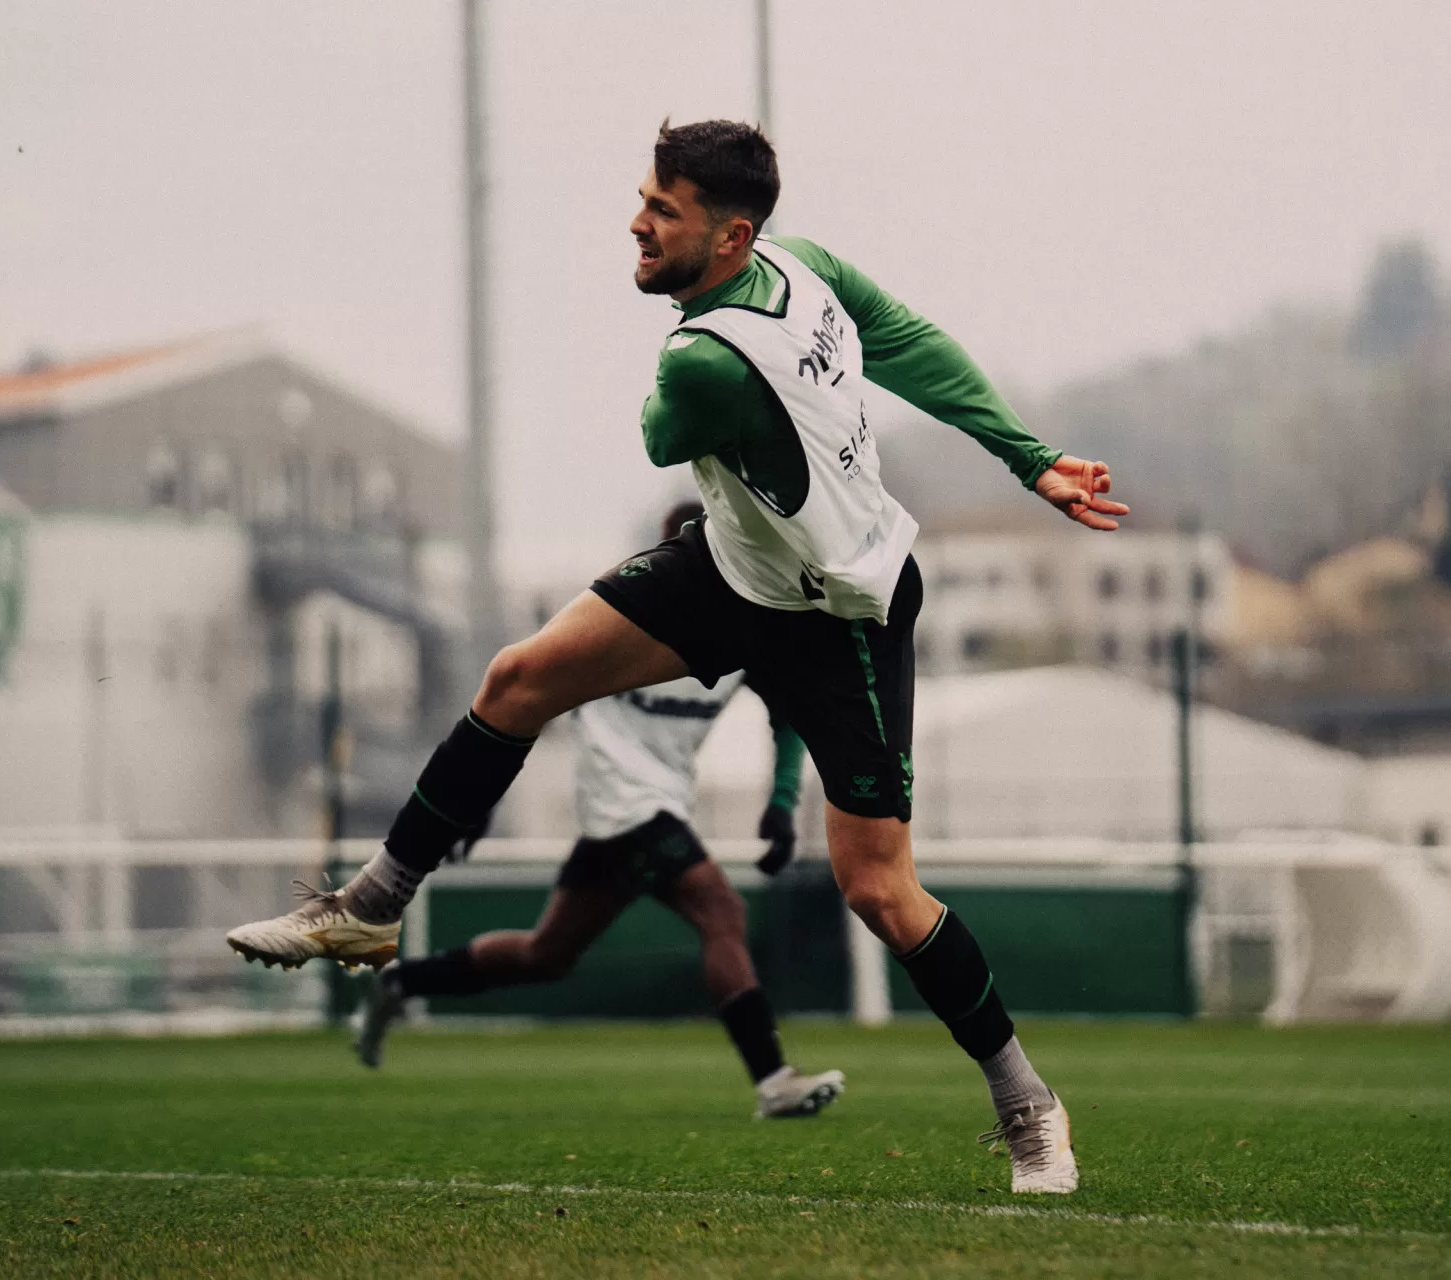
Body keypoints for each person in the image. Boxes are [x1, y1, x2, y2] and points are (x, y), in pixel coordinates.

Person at [227, 119, 1126, 1193]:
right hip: (736, 566)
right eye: (644, 199)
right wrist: (1030, 458)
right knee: (518, 680)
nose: (637, 224)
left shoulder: (702, 361)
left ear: (733, 236)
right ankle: (372, 909)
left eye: (664, 210)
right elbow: (909, 340)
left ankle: (1028, 1104)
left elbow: (665, 433)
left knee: (881, 890)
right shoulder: (803, 266)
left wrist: (1021, 458)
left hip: (841, 611)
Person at [350, 507, 845, 1119]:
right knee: (722, 912)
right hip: (625, 808)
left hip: (639, 818)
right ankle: (773, 1081)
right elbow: (523, 701)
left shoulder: (739, 626)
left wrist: (781, 802)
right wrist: (475, 802)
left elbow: (787, 713)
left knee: (546, 955)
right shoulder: (621, 617)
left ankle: (402, 982)